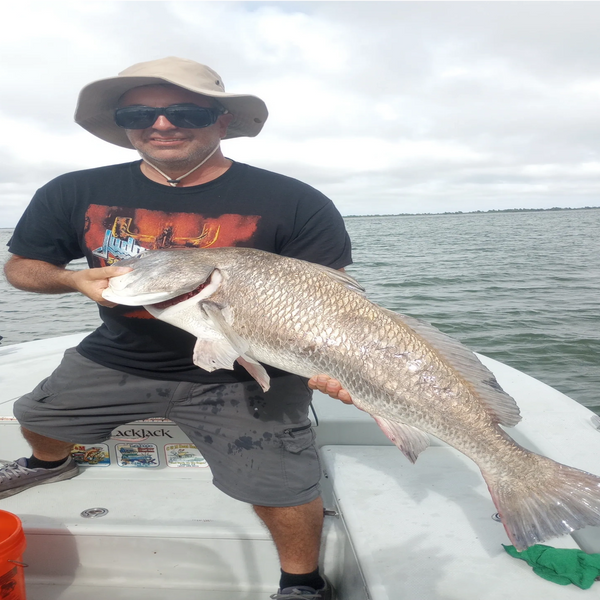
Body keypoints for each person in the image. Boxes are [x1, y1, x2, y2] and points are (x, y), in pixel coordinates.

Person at [1, 57, 352, 600]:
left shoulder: (296, 202)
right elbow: (22, 267)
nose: (161, 125)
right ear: (124, 122)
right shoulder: (73, 191)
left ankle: (302, 582)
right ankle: (51, 463)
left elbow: (328, 305)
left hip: (244, 372)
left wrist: (332, 368)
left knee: (282, 489)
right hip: (118, 355)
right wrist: (77, 283)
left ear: (222, 121)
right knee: (35, 414)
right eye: (139, 112)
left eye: (185, 111)